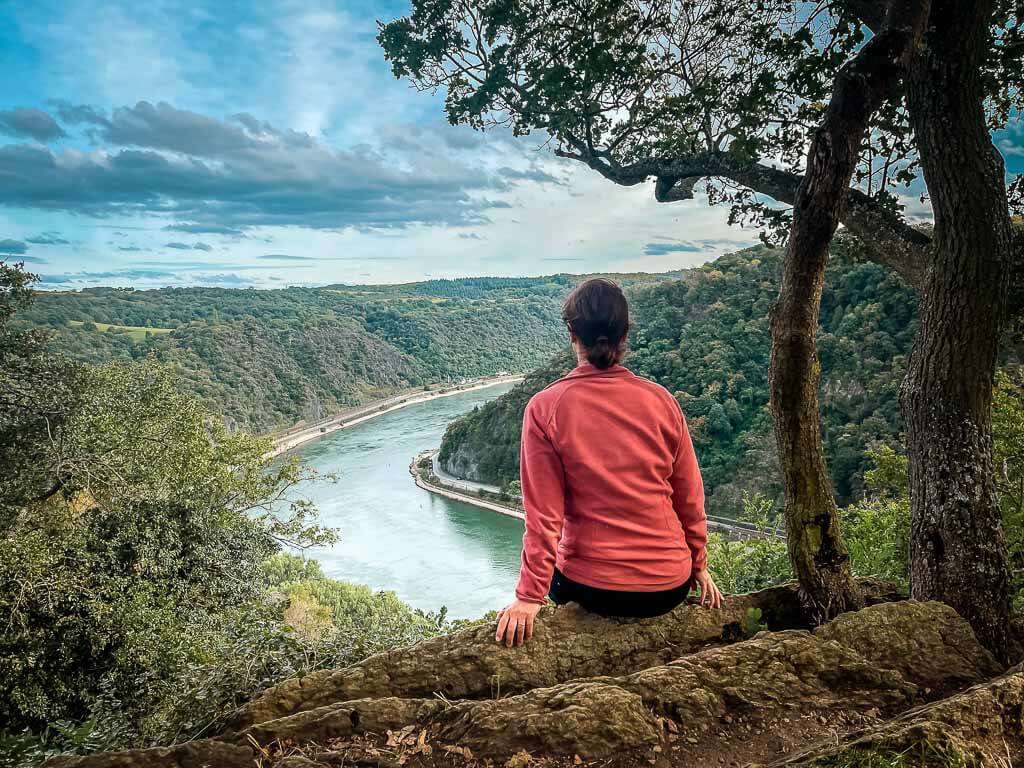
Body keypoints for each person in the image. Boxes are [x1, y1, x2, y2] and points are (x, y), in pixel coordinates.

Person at [495, 278, 722, 647]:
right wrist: (698, 566)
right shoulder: (661, 401)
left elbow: (545, 518)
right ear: (624, 334)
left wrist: (528, 597)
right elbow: (690, 499)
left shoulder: (545, 407)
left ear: (572, 332)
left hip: (591, 588)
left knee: (561, 571)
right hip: (669, 587)